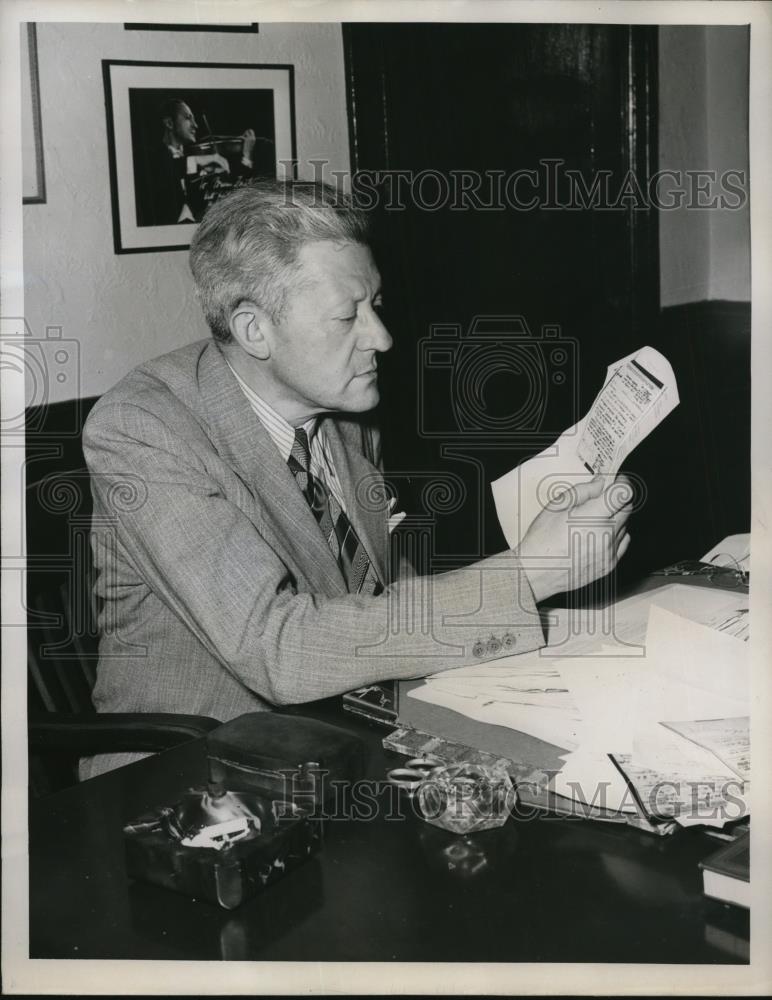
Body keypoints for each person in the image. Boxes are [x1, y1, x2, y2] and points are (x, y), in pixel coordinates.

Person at [81, 180, 632, 778]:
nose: (382, 338)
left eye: (376, 305)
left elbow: (382, 585)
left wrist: (528, 622)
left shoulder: (338, 406)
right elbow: (279, 650)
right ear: (253, 330)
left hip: (337, 741)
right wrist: (529, 574)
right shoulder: (143, 428)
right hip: (185, 777)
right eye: (349, 316)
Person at [134, 97, 258, 226]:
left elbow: (235, 188)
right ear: (169, 123)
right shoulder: (147, 157)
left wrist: (247, 156)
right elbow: (168, 171)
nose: (196, 125)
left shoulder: (196, 156)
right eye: (188, 118)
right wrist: (200, 160)